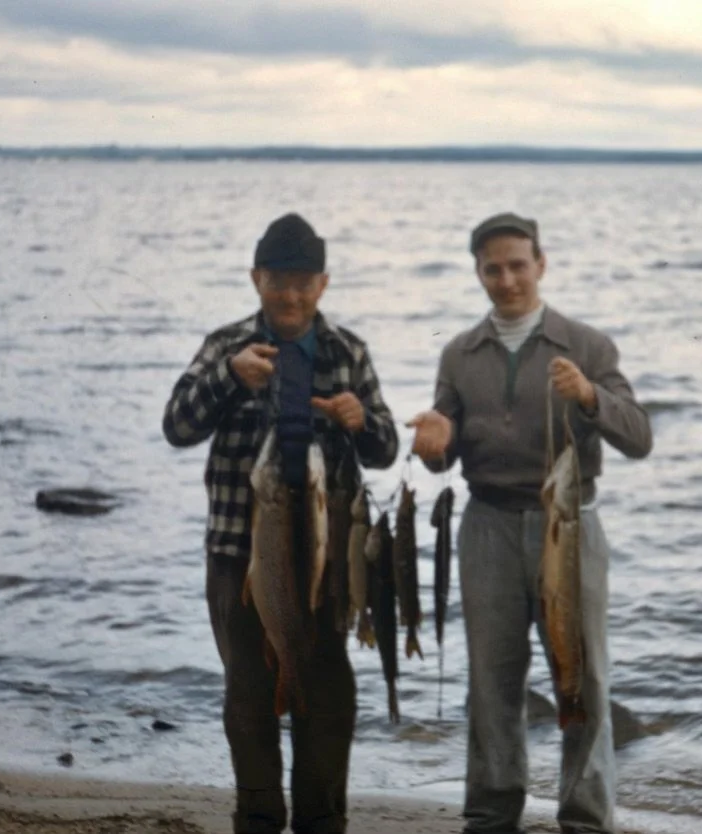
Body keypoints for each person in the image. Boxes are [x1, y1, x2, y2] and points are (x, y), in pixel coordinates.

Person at [407, 212, 653, 834]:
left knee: (584, 676)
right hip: (487, 526)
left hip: (569, 527)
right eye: (494, 268)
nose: (508, 279)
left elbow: (640, 437)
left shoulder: (587, 346)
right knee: (492, 682)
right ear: (479, 273)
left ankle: (587, 818)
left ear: (541, 264)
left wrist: (592, 398)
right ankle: (491, 816)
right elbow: (444, 455)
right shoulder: (459, 354)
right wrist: (435, 445)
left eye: (519, 264)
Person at [162, 212, 399, 834]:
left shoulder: (348, 352)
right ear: (255, 279)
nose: (289, 295)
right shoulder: (227, 345)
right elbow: (177, 427)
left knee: (328, 696)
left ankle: (321, 823)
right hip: (240, 555)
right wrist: (227, 379)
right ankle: (259, 820)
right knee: (248, 699)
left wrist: (360, 420)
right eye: (276, 281)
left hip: (323, 562)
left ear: (322, 284)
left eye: (302, 282)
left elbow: (385, 450)